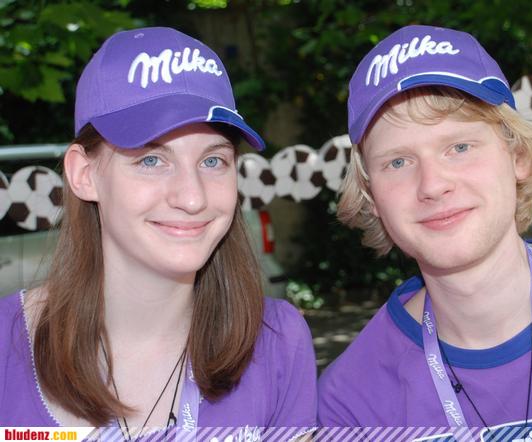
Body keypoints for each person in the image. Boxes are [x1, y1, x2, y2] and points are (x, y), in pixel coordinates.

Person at [0, 27, 317, 440]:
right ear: (84, 174)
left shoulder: (278, 343)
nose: (192, 197)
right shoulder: (6, 347)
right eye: (151, 160)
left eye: (213, 161)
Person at [318, 24, 532, 440]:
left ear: (517, 156)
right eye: (398, 162)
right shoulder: (350, 404)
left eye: (459, 147)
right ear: (371, 198)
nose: (433, 185)